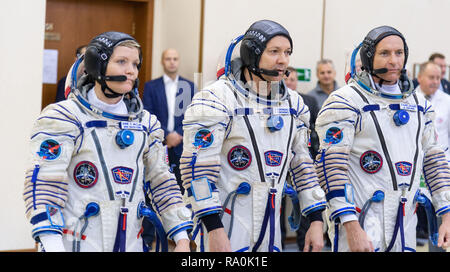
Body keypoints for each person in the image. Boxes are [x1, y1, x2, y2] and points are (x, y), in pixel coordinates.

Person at [23, 31, 192, 252]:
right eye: (121, 62)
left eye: (135, 64)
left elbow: (162, 181)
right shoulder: (64, 118)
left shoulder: (146, 124)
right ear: (97, 66)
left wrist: (181, 237)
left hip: (131, 242)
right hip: (74, 243)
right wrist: (53, 245)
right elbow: (44, 185)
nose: (131, 70)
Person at [180, 20, 326, 252]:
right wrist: (214, 230)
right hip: (226, 227)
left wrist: (317, 220)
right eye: (274, 52)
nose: (283, 60)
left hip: (271, 231)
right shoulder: (215, 99)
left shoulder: (294, 103)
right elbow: (197, 171)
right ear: (251, 54)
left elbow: (302, 166)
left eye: (287, 52)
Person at [314, 25, 450, 252]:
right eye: (385, 53)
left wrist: (446, 213)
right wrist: (351, 225)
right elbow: (331, 168)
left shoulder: (419, 105)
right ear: (369, 57)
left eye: (399, 53)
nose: (394, 61)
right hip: (362, 222)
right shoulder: (346, 101)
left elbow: (434, 160)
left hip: (405, 222)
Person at [143, 48, 196, 193]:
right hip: (159, 143)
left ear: (178, 62)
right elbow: (148, 113)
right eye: (168, 59)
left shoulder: (189, 86)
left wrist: (178, 134)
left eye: (175, 59)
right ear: (162, 62)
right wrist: (166, 134)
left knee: (181, 188)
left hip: (182, 145)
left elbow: (191, 115)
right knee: (159, 187)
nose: (172, 62)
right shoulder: (151, 87)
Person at [284, 66, 321, 251]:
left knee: (305, 197)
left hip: (302, 155)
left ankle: (303, 244)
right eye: (286, 79)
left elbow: (314, 129)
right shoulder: (272, 101)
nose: (289, 82)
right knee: (278, 202)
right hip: (279, 159)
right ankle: (279, 241)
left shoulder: (308, 101)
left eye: (292, 79)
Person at [416, 61, 450, 252]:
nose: (436, 81)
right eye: (431, 77)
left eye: (439, 78)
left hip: (440, 170)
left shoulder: (447, 101)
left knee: (439, 220)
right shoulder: (409, 100)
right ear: (419, 77)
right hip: (413, 171)